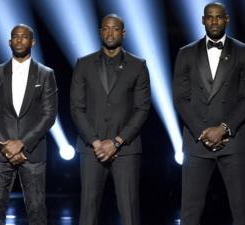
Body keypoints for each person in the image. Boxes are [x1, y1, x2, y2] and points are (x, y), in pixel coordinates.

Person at [173, 2, 245, 225]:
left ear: (226, 19)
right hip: (197, 141)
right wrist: (204, 132)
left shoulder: (244, 52)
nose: (213, 21)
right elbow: (181, 98)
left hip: (234, 140)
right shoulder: (186, 53)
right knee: (190, 212)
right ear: (202, 20)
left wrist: (223, 129)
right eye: (209, 17)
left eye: (218, 17)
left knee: (242, 211)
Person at [70, 14, 150, 225]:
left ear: (123, 33)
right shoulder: (83, 64)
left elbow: (142, 108)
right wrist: (96, 142)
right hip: (91, 149)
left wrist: (116, 142)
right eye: (106, 28)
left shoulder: (138, 65)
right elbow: (77, 108)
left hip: (126, 148)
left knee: (129, 211)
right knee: (88, 212)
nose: (110, 32)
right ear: (100, 32)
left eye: (115, 29)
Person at [0, 24, 58, 225]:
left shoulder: (45, 74)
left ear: (32, 42)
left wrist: (22, 143)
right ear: (9, 42)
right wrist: (6, 146)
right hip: (1, 152)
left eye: (24, 37)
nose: (19, 40)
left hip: (32, 152)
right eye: (15, 36)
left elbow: (49, 115)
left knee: (36, 211)